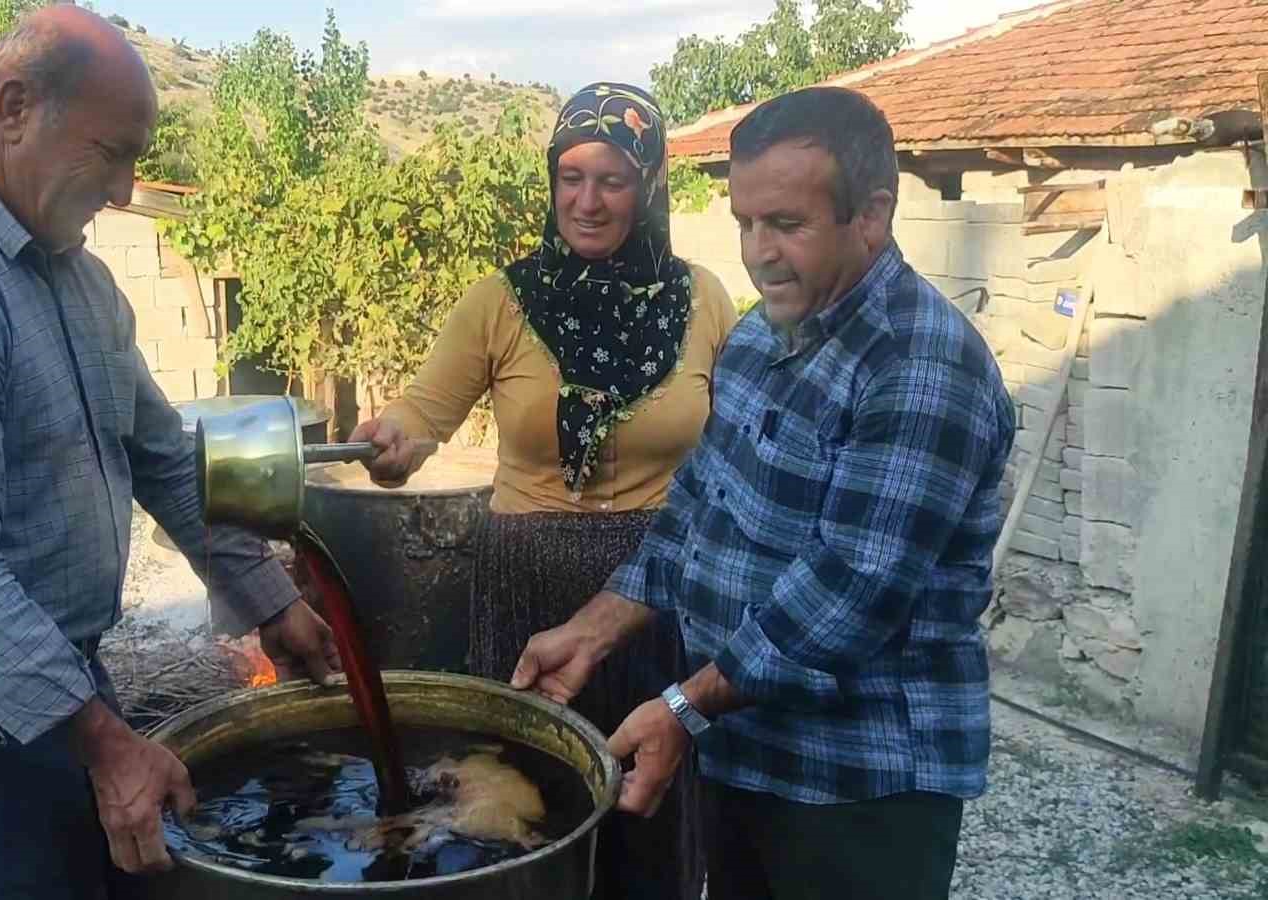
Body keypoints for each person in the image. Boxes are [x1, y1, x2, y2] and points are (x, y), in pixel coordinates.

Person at [0, 8, 340, 898]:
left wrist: (271, 599)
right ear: (15, 107)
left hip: (49, 672)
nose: (127, 191)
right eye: (113, 153)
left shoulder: (79, 282)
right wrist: (107, 743)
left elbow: (167, 458)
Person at [509, 86, 1016, 900]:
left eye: (786, 224)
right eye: (745, 223)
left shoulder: (920, 369)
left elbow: (841, 600)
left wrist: (681, 706)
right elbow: (697, 512)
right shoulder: (760, 335)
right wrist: (593, 629)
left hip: (861, 789)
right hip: (747, 754)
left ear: (872, 214)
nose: (757, 252)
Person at [351, 82, 737, 900]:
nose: (586, 200)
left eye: (612, 178)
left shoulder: (702, 301)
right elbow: (424, 413)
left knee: (647, 800)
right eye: (570, 176)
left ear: (651, 182)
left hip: (656, 591)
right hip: (524, 588)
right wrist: (394, 445)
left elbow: (733, 444)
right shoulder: (503, 300)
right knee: (525, 808)